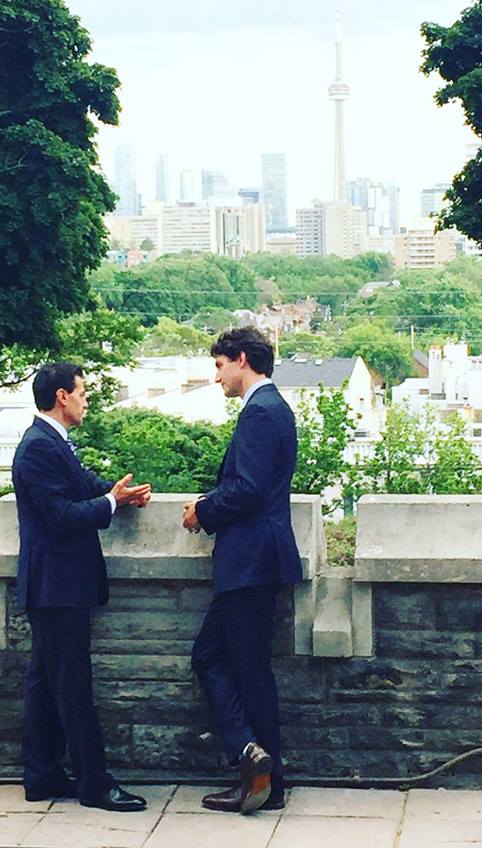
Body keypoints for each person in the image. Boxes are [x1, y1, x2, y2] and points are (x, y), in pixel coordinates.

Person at [12, 361, 152, 812]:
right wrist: (110, 502)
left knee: (44, 682)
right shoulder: (37, 447)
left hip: (56, 586)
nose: (87, 399)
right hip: (57, 587)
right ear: (61, 397)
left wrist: (117, 494)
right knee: (73, 686)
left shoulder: (53, 443)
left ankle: (43, 774)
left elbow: (79, 486)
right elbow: (62, 515)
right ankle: (94, 783)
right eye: (82, 391)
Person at [183, 327, 302, 814]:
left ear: (242, 359)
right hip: (256, 559)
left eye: (219, 365)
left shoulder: (260, 411)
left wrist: (203, 511)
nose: (217, 378)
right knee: (226, 661)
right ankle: (260, 764)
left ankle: (260, 771)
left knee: (239, 667)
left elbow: (248, 488)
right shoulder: (271, 408)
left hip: (251, 559)